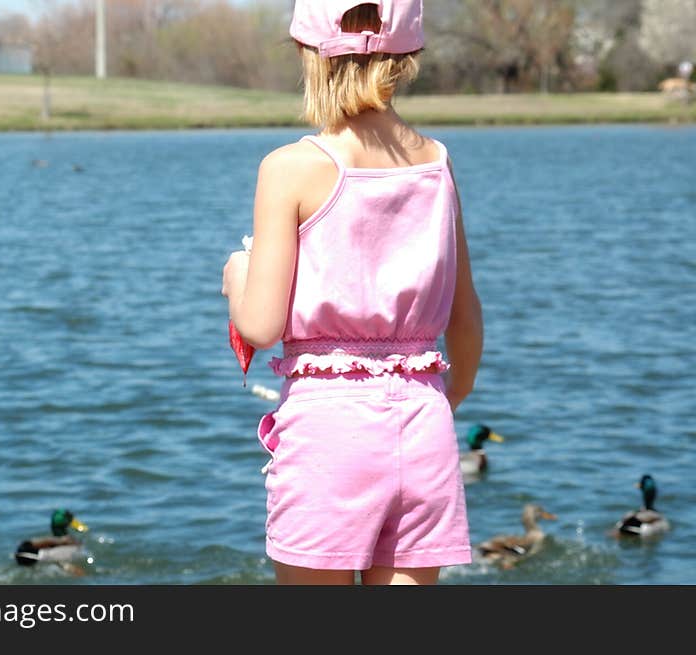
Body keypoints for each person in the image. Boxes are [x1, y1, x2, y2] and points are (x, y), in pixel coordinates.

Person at [222, 0, 483, 586]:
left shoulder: (290, 167)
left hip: (329, 431)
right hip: (425, 426)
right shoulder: (437, 164)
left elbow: (261, 326)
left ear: (306, 53)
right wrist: (435, 406)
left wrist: (237, 275)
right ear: (410, 55)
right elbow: (466, 324)